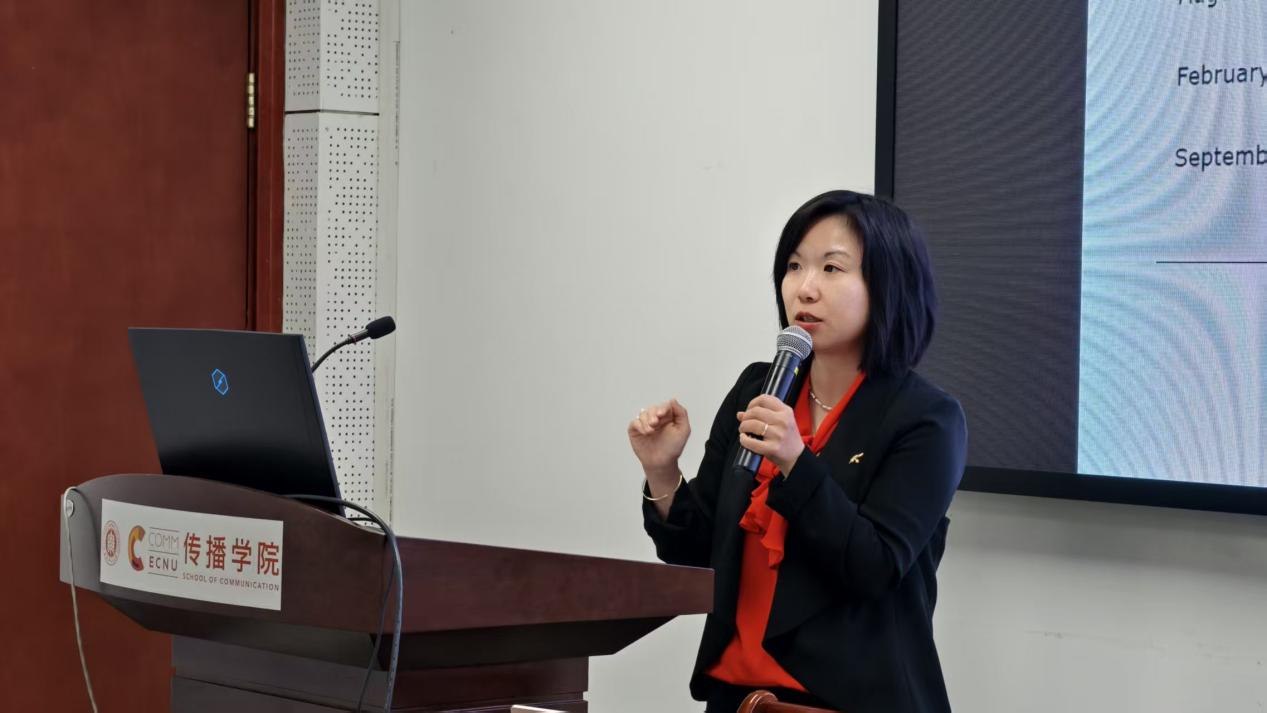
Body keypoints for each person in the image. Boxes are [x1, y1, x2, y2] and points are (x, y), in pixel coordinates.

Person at [628, 190, 966, 713]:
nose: (804, 288)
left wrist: (795, 462)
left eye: (832, 268)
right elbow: (701, 551)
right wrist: (663, 472)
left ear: (888, 284)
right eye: (793, 266)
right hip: (736, 698)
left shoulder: (926, 419)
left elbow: (874, 567)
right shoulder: (757, 388)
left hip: (846, 702)